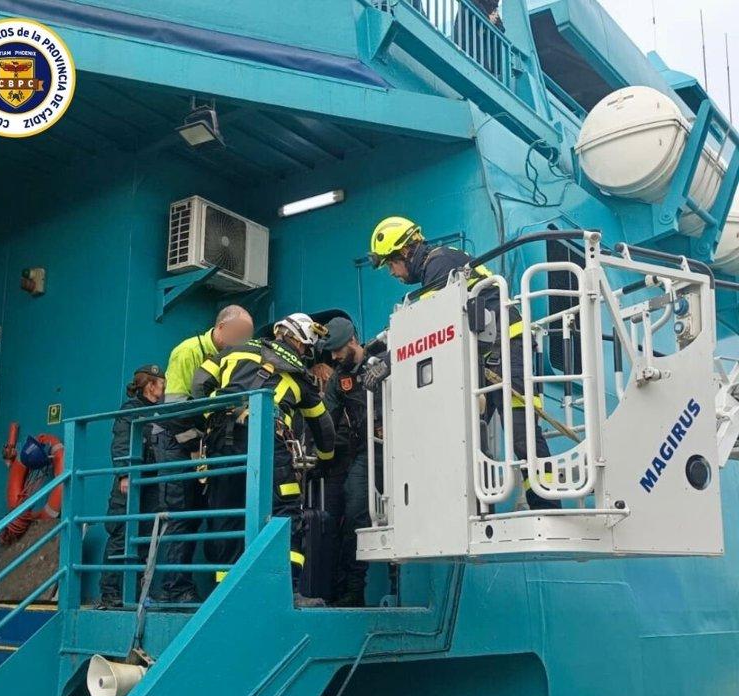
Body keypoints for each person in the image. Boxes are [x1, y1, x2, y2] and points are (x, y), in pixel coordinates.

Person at [366, 216, 559, 511]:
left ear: (405, 252)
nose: (392, 272)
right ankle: (482, 507)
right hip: (490, 357)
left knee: (522, 433)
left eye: (390, 264)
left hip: (510, 351)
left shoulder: (439, 264)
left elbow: (429, 327)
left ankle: (547, 505)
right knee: (470, 432)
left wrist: (389, 362)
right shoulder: (440, 264)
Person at [192, 313, 336, 607]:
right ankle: (288, 591)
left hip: (222, 442)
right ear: (301, 343)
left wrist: (212, 414)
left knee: (227, 514)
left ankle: (225, 595)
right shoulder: (300, 377)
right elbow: (324, 428)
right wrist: (325, 459)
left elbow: (199, 382)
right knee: (287, 513)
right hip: (269, 442)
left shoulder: (235, 351)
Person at [153, 305, 254, 603]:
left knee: (201, 512)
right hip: (173, 440)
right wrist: (196, 448)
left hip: (199, 444)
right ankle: (174, 588)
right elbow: (175, 409)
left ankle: (188, 585)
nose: (243, 340)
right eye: (240, 334)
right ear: (221, 328)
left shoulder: (231, 359)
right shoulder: (187, 352)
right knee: (181, 512)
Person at [320, 317, 383, 607]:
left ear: (352, 342)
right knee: (355, 510)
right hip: (366, 451)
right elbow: (328, 419)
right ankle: (353, 591)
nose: (333, 357)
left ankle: (398, 585)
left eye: (336, 350)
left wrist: (388, 365)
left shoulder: (381, 354)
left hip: (403, 447)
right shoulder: (338, 378)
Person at [98, 364, 166, 609]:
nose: (165, 387)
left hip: (150, 483)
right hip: (130, 483)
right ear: (151, 384)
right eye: (161, 382)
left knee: (145, 538)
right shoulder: (131, 411)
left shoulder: (159, 412)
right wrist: (125, 474)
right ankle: (111, 594)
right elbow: (122, 442)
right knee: (121, 535)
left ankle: (136, 592)